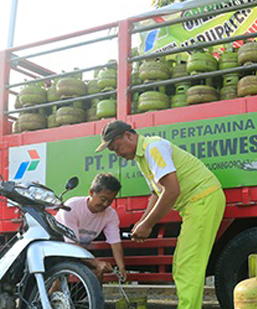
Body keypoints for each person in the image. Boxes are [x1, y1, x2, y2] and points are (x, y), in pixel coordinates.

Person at [96, 120, 225, 309]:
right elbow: (157, 193)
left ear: (128, 135)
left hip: (202, 199)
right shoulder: (142, 157)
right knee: (182, 264)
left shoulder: (153, 148)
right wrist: (142, 222)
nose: (118, 154)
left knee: (188, 265)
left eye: (116, 147)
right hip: (196, 203)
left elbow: (172, 190)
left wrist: (148, 225)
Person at [55, 173, 126, 281]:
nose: (105, 204)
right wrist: (96, 262)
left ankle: (92, 297)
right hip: (58, 248)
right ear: (91, 192)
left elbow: (115, 243)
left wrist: (121, 268)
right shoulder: (71, 207)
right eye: (103, 199)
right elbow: (71, 245)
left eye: (110, 201)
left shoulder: (110, 215)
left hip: (79, 252)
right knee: (58, 281)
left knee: (97, 272)